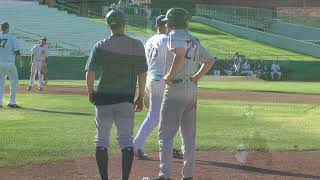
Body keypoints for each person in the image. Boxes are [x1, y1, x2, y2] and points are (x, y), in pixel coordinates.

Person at [143, 8, 216, 180]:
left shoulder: (174, 34)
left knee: (166, 134)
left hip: (176, 88)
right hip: (191, 89)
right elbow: (211, 59)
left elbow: (180, 53)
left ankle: (164, 176)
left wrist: (169, 75)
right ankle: (188, 176)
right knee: (188, 135)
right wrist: (197, 76)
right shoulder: (194, 39)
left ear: (171, 22)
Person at [85, 10, 147, 180]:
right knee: (126, 140)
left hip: (103, 98)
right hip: (125, 99)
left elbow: (90, 72)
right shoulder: (136, 45)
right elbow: (142, 74)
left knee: (101, 141)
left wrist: (91, 91)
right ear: (125, 24)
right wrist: (140, 95)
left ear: (108, 25)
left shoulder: (100, 45)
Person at [133, 15, 183, 160]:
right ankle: (136, 145)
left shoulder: (150, 40)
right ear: (166, 26)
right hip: (162, 80)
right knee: (158, 116)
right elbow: (178, 57)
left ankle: (167, 147)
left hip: (151, 78)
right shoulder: (167, 39)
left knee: (162, 116)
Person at [0, 22, 22, 109]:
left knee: (1, 82)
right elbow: (17, 51)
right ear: (8, 28)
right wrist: (20, 60)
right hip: (9, 62)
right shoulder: (12, 37)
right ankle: (12, 102)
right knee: (14, 80)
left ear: (1, 28)